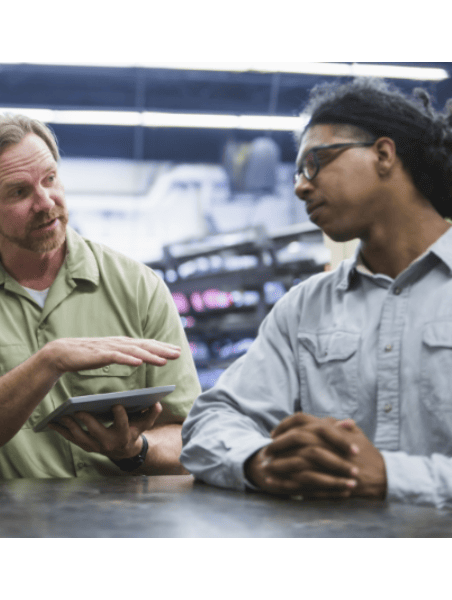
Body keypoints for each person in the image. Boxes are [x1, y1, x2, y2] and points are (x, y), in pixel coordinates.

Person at [181, 78, 452, 507]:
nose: (300, 186)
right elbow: (213, 420)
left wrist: (391, 476)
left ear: (383, 154)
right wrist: (260, 462)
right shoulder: (304, 309)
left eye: (316, 162)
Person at [0, 114, 201, 480]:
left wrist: (135, 451)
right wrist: (49, 362)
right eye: (19, 192)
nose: (45, 202)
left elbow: (192, 438)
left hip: (118, 525)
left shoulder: (138, 287)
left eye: (50, 179)